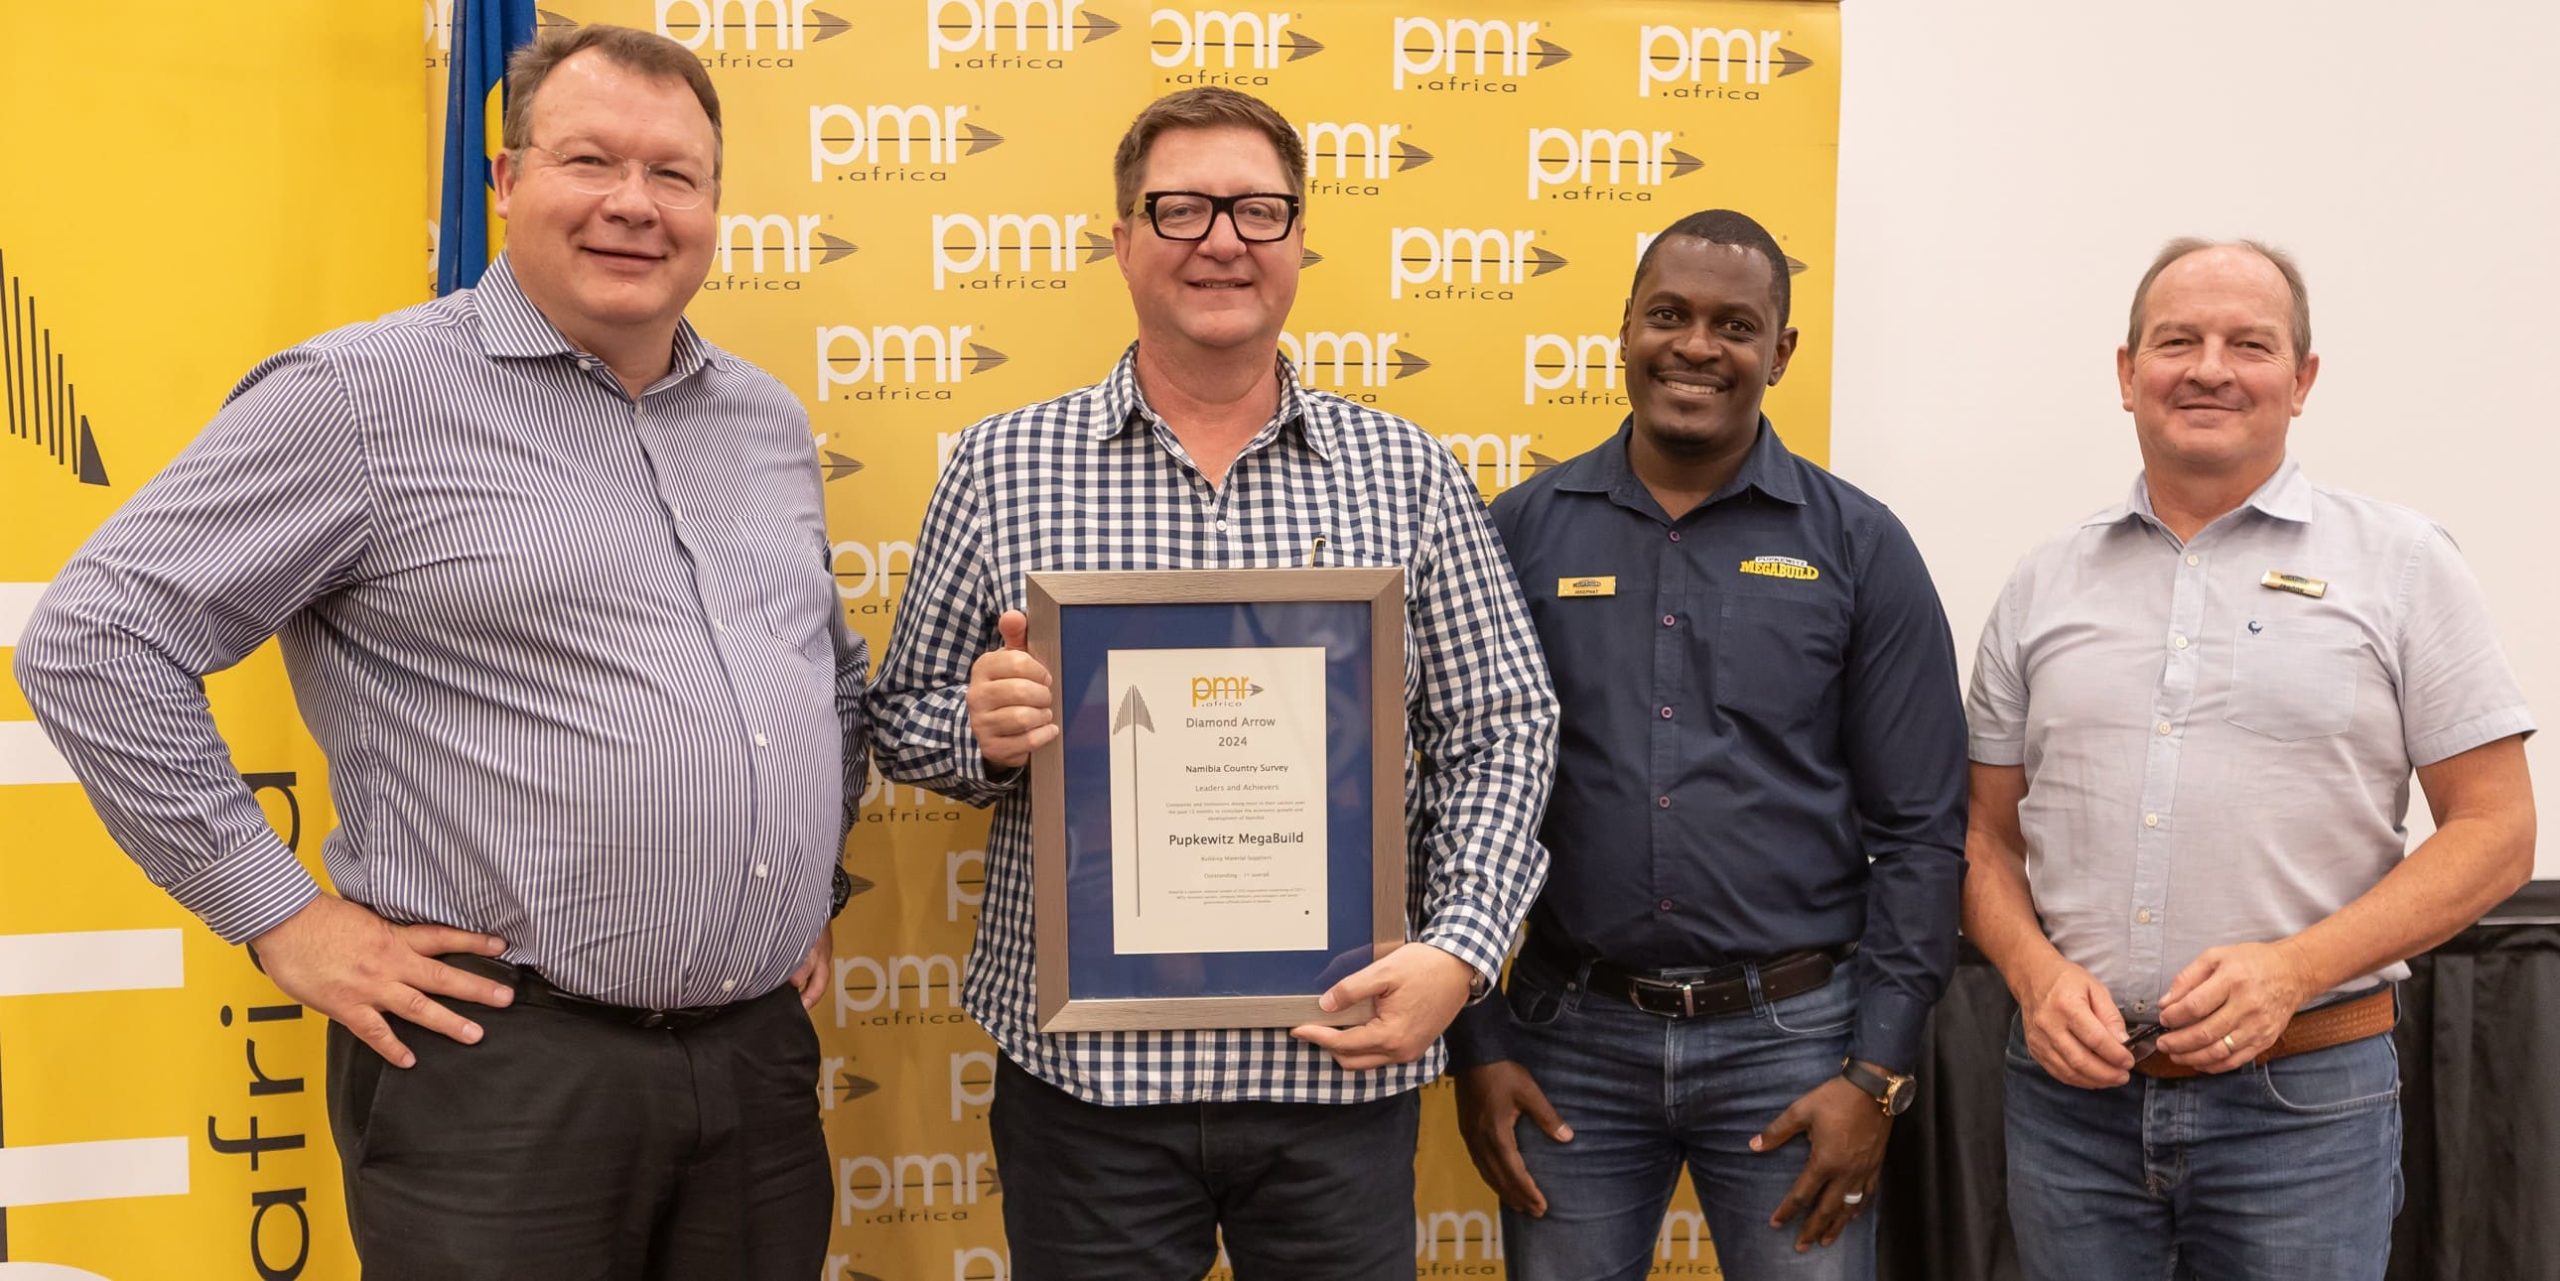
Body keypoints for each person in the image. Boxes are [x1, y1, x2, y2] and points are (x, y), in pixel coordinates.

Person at [13, 23, 863, 1280]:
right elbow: (97, 637)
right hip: (498, 1073)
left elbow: (820, 673)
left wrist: (794, 879)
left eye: (674, 175)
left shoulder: (765, 420)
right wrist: (279, 916)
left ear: (713, 206)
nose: (635, 204)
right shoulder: (362, 398)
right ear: (507, 182)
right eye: (590, 161)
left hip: (754, 1065)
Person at [865, 86, 1557, 1281]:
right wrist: (981, 729)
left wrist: (1459, 949)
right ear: (1121, 239)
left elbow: (1503, 728)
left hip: (1334, 1073)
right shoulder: (1000, 465)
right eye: (1180, 209)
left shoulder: (1406, 474)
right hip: (1089, 1090)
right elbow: (903, 719)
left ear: (1299, 239)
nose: (1222, 240)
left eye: (1257, 210)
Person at [1963, 238, 2537, 1280]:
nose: (2210, 368)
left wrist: (2294, 969)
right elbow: (1981, 838)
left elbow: (2497, 832)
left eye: (2250, 344)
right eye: (2177, 341)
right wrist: (2032, 972)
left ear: (2302, 380)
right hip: (2070, 1108)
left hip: (2304, 1107)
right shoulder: (2042, 584)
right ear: (2127, 372)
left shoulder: (2405, 565)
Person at [1445, 208, 1968, 1279]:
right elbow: (1447, 791)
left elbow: (1920, 832)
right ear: (1623, 330)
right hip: (1568, 1038)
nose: (1695, 345)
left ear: (1781, 351)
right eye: (1668, 315)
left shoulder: (1860, 545)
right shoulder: (1516, 532)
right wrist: (1480, 1042)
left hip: (1798, 1044)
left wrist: (1875, 1074)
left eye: (1735, 325)